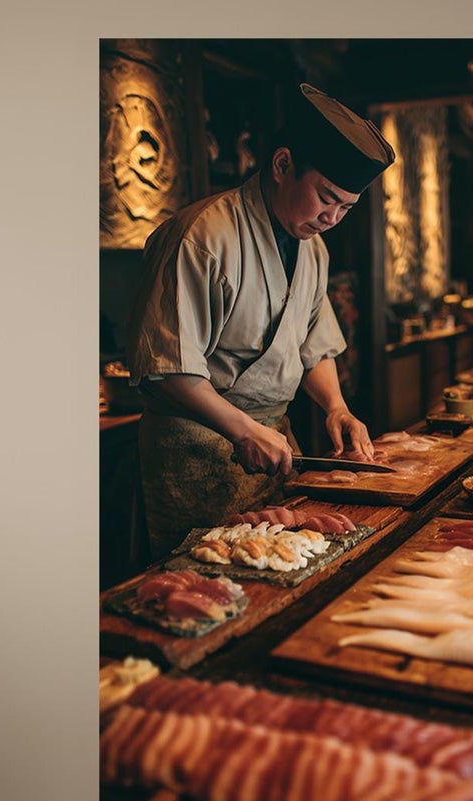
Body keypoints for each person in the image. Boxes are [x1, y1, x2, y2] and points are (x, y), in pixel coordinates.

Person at [126, 84, 393, 555]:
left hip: (271, 451)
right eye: (326, 198)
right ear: (283, 165)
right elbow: (167, 368)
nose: (332, 218)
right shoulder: (201, 237)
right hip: (191, 452)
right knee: (203, 580)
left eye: (346, 208)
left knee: (280, 567)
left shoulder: (314, 249)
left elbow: (312, 345)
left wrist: (336, 407)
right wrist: (244, 430)